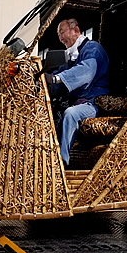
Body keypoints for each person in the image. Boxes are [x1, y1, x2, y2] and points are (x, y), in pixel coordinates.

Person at [45, 19, 109, 165]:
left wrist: (55, 79)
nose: (60, 38)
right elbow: (61, 73)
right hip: (78, 101)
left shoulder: (93, 48)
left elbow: (86, 70)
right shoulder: (72, 56)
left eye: (62, 32)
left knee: (70, 114)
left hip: (94, 102)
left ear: (75, 30)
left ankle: (61, 162)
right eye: (58, 34)